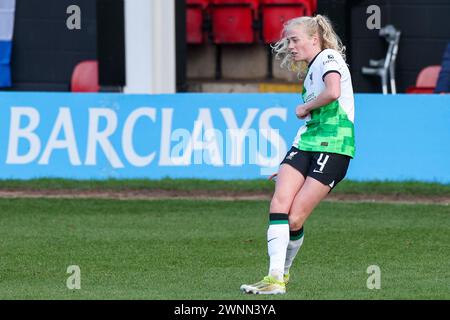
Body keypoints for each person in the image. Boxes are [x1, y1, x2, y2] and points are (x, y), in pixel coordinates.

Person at [240, 14, 355, 295]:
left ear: (313, 40)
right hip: (305, 143)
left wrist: (305, 108)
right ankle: (274, 278)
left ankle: (283, 275)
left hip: (335, 145)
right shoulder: (312, 68)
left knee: (294, 219)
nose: (289, 46)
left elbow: (333, 91)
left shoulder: (328, 57)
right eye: (287, 40)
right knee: (278, 202)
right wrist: (291, 165)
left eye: (294, 39)